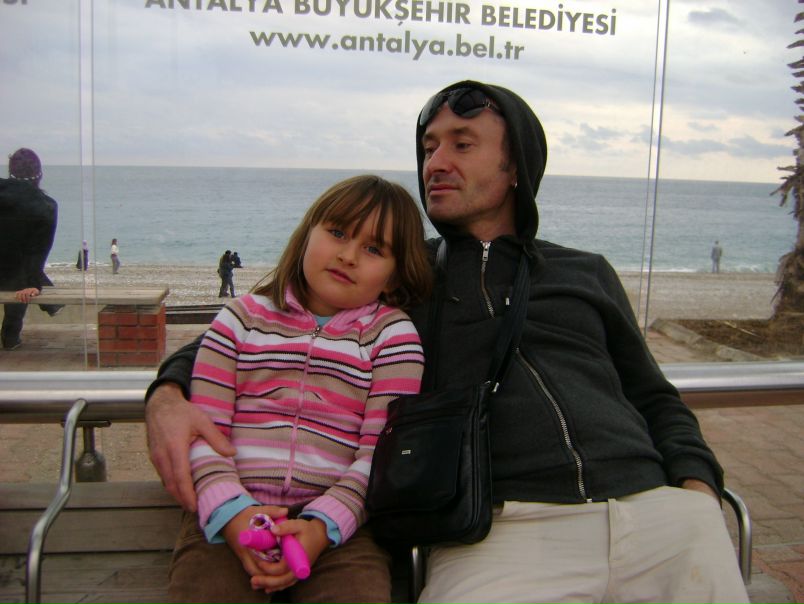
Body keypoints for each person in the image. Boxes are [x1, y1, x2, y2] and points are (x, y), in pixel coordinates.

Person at [144, 82, 749, 603]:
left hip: (656, 510)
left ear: (516, 168)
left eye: (462, 144)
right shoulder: (398, 281)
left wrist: (696, 490)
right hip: (502, 529)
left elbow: (654, 396)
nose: (436, 161)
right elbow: (277, 321)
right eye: (429, 147)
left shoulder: (585, 271)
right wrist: (168, 394)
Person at [168, 174, 432, 603]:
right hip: (229, 511)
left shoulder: (394, 338)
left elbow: (380, 456)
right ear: (307, 233)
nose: (348, 255)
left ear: (393, 276)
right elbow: (205, 432)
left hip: (342, 526)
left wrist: (323, 526)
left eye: (373, 249)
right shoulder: (240, 320)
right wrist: (232, 513)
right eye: (338, 233)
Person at [0, 148, 60, 350]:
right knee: (22, 275)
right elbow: (39, 250)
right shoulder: (46, 206)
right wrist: (33, 284)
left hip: (9, 270)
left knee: (18, 270)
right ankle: (10, 337)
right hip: (13, 276)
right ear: (39, 174)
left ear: (10, 171)